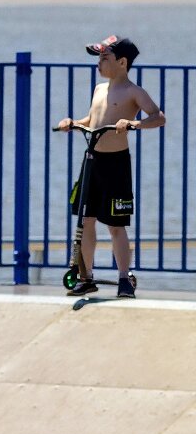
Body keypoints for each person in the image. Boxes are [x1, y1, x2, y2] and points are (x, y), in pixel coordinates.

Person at [56, 35, 165, 298]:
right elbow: (93, 119)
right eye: (99, 57)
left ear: (122, 62)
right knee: (86, 220)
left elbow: (158, 117)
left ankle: (124, 278)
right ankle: (86, 276)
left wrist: (133, 124)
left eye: (105, 57)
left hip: (115, 165)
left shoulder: (133, 92)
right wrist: (73, 122)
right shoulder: (99, 89)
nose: (100, 62)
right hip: (91, 160)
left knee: (116, 225)